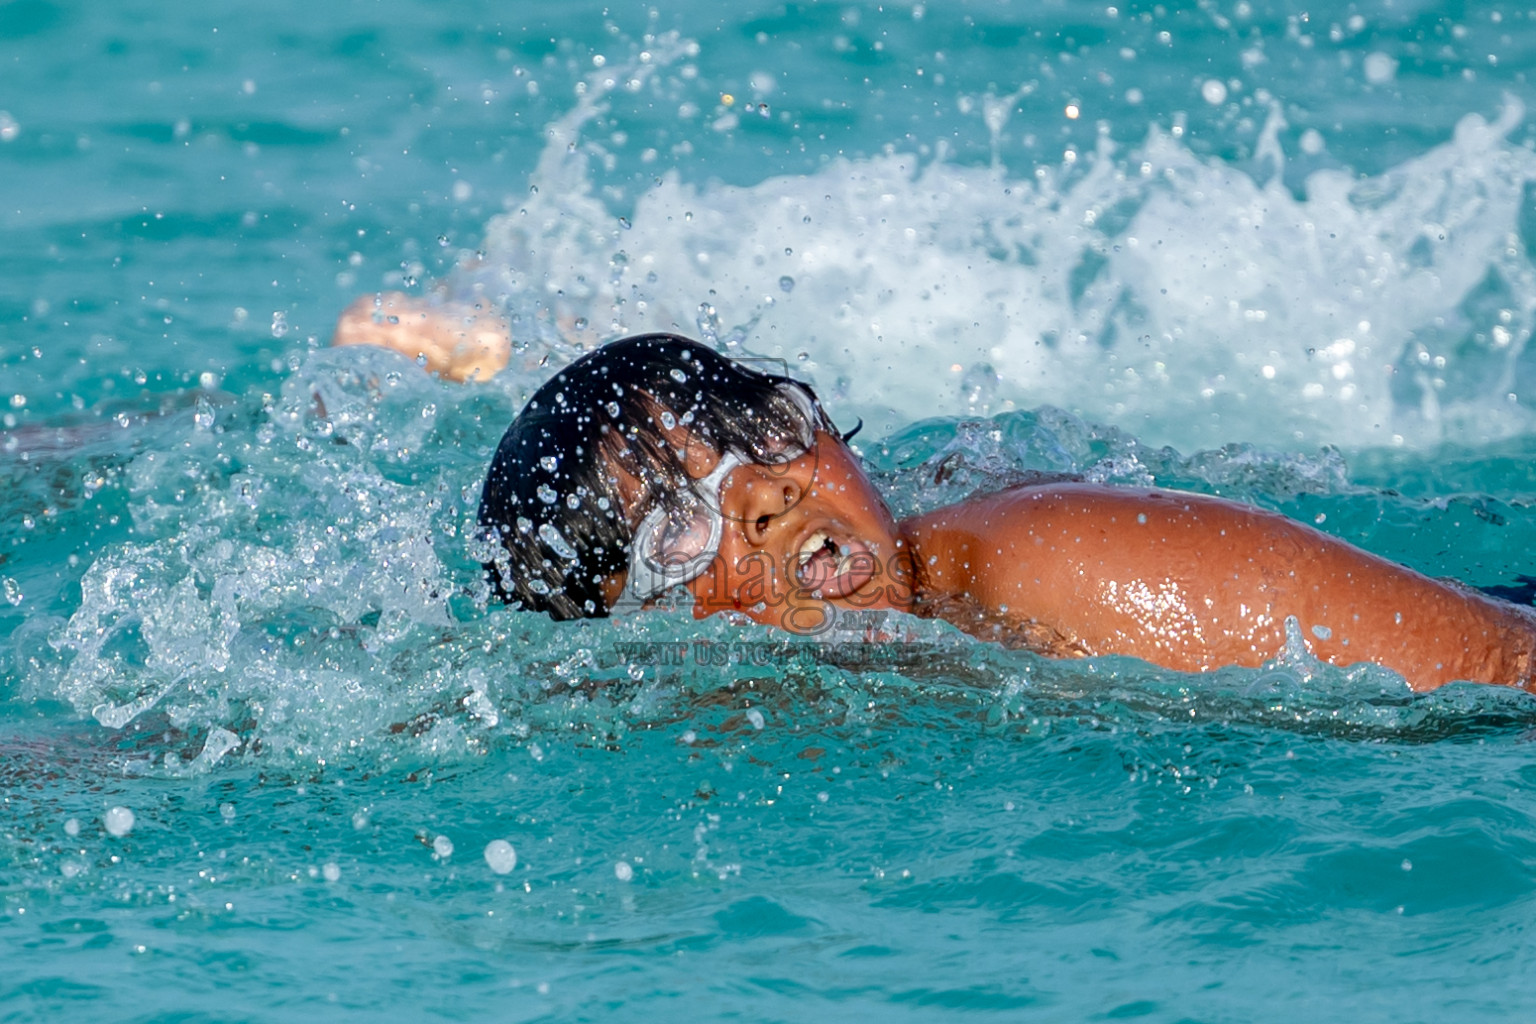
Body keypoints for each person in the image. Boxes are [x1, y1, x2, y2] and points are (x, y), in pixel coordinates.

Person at [333, 294, 1536, 693]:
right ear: (626, 628)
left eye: (759, 433)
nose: (762, 493)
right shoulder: (709, 697)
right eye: (678, 520)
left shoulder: (1052, 563)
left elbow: (1503, 669)